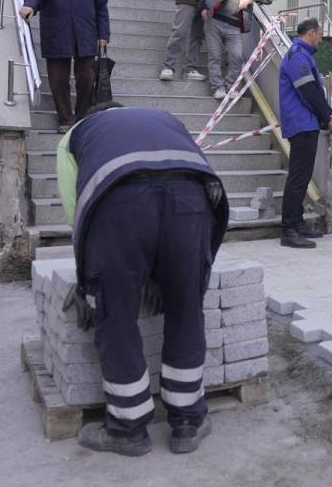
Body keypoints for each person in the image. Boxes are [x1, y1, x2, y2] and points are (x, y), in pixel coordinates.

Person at [56, 105, 229, 456]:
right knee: (186, 307)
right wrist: (163, 269)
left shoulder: (73, 136)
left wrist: (89, 282)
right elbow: (191, 181)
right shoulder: (165, 119)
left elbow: (77, 211)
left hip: (120, 203)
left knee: (115, 314)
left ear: (91, 117)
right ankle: (188, 422)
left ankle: (128, 429)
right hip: (191, 199)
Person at [19, 0, 110, 132]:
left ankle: (81, 118)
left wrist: (103, 35)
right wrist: (30, 7)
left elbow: (101, 7)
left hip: (86, 36)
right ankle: (65, 120)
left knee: (87, 79)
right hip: (56, 36)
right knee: (58, 80)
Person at [278, 19, 332, 248]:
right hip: (301, 123)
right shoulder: (298, 56)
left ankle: (297, 222)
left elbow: (314, 91)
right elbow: (308, 90)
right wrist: (326, 114)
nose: (321, 39)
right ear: (311, 33)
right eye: (320, 34)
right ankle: (289, 229)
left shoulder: (302, 55)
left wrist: (326, 113)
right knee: (298, 178)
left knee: (302, 177)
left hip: (306, 123)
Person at [200, 0, 272, 100]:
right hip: (214, 22)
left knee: (237, 57)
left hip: (234, 27)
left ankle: (231, 87)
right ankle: (218, 87)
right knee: (215, 56)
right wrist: (202, 9)